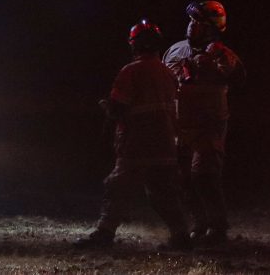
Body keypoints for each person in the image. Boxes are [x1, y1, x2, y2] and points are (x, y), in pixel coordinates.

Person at [74, 19, 192, 251]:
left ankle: (104, 233)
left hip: (137, 144)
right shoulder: (168, 74)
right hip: (165, 144)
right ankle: (181, 235)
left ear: (134, 45)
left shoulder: (130, 72)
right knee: (164, 193)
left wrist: (107, 108)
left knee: (117, 188)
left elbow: (119, 107)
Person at [162, 0, 245, 245]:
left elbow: (240, 78)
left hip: (210, 124)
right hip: (180, 125)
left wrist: (217, 57)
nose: (191, 27)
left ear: (212, 28)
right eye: (191, 21)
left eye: (198, 23)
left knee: (204, 175)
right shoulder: (175, 50)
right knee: (183, 178)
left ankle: (218, 227)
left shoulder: (222, 53)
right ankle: (198, 224)